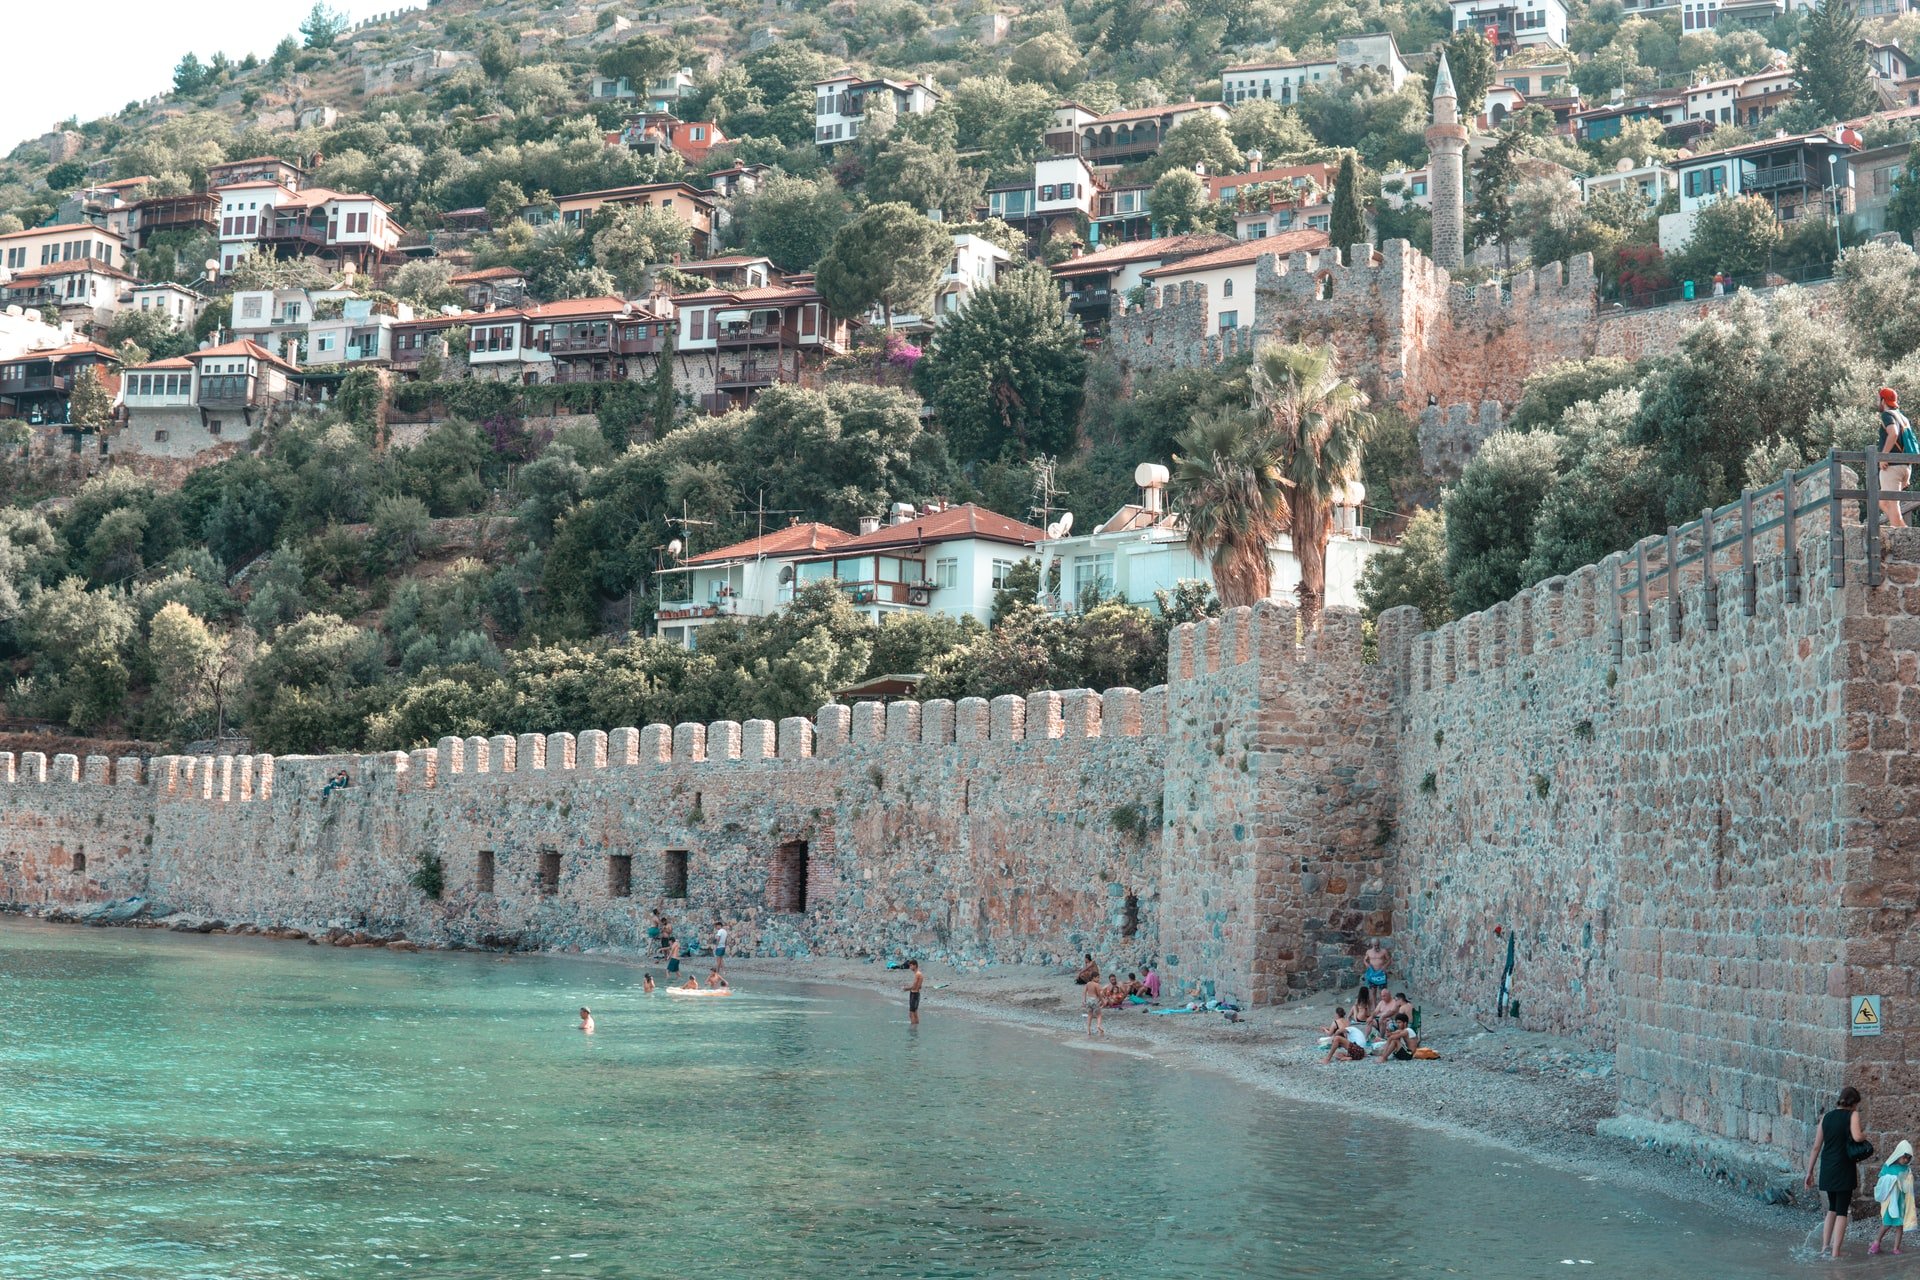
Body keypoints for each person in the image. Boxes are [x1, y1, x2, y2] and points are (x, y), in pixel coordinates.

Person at [1806, 1085, 1869, 1259]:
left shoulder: (1826, 1117)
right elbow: (1857, 1137)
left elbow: (1816, 1147)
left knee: (1832, 1208)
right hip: (1843, 1167)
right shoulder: (1852, 1115)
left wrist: (1809, 1172)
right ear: (1853, 1103)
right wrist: (1864, 1135)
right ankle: (1836, 1252)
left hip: (1827, 1167)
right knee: (1842, 1210)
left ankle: (1825, 1247)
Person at [1880, 387, 1916, 529]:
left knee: (1891, 502)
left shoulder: (1887, 415)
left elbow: (1893, 434)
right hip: (1905, 466)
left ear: (1883, 400)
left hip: (1892, 466)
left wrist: (1883, 456)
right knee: (1882, 502)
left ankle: (1902, 533)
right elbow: (1908, 443)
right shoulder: (1903, 418)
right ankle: (1902, 528)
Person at [1874, 1140, 1917, 1256]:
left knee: (1899, 1225)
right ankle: (1876, 1242)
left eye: (1909, 1158)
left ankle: (1896, 1248)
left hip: (1901, 1201)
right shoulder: (1888, 1166)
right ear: (1898, 1154)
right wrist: (1891, 1179)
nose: (1906, 1160)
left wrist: (1907, 1179)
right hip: (1890, 1201)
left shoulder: (1906, 1169)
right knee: (1886, 1223)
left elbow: (1908, 1184)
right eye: (1904, 1157)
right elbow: (1881, 1180)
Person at [903, 958, 924, 1025]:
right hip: (915, 994)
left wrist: (906, 989)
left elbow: (915, 987)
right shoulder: (918, 974)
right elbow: (919, 986)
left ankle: (913, 1030)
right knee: (914, 1013)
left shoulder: (918, 974)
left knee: (911, 1014)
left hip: (914, 994)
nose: (910, 967)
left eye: (911, 965)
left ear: (915, 965)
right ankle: (916, 1028)